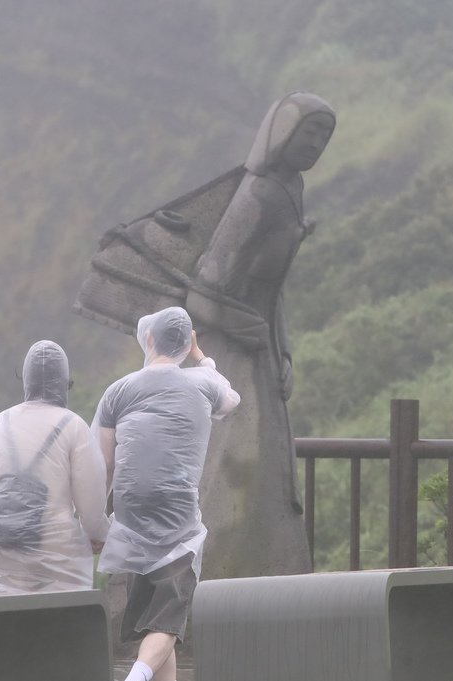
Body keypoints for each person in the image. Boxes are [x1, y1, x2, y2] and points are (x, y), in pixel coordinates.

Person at [184, 91, 335, 579]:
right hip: (230, 356)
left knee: (268, 473)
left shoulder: (292, 190)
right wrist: (242, 328)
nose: (316, 143)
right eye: (309, 131)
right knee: (236, 466)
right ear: (283, 131)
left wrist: (283, 348)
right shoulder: (258, 193)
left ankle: (271, 577)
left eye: (324, 136)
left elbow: (275, 289)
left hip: (262, 354)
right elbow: (203, 294)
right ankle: (216, 582)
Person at [95, 307, 240, 681]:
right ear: (184, 343)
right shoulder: (203, 383)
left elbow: (104, 465)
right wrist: (202, 357)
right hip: (176, 512)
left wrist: (96, 522)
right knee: (169, 618)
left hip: (130, 513)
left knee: (155, 619)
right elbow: (232, 401)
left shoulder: (119, 390)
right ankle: (136, 677)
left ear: (148, 339)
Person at [0, 340, 110, 594]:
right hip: (60, 562)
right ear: (65, 383)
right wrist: (99, 533)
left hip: (6, 557)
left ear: (25, 381)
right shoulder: (74, 426)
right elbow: (91, 507)